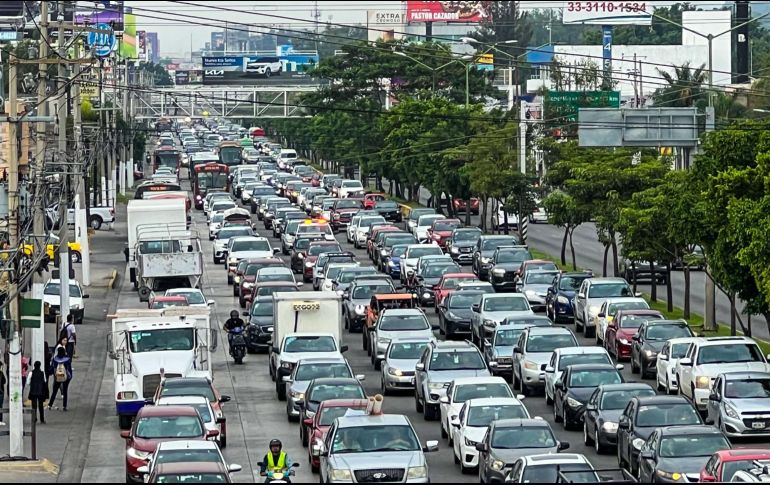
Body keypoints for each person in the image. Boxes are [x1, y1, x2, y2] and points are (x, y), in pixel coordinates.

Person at [48, 347, 72, 412]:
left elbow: (52, 368)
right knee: (65, 391)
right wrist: (70, 377)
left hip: (57, 377)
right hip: (65, 377)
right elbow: (69, 369)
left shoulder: (55, 359)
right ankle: (64, 406)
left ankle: (50, 405)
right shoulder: (67, 359)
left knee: (54, 391)